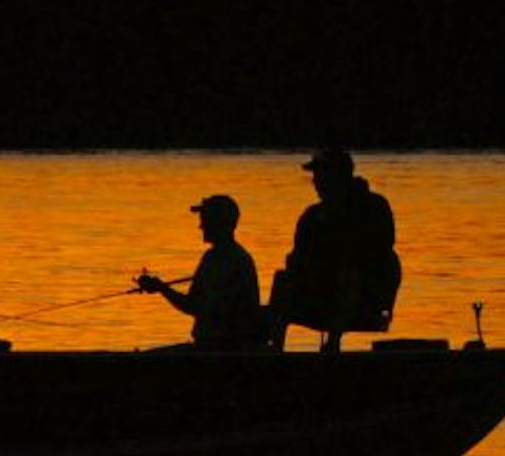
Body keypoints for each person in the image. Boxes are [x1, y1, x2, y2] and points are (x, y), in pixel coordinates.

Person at [265, 148, 399, 352]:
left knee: (347, 274)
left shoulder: (373, 207)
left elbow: (378, 252)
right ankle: (272, 349)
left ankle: (333, 344)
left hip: (365, 296)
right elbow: (297, 259)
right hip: (319, 290)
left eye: (322, 175)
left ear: (340, 176)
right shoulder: (312, 216)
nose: (316, 182)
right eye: (316, 176)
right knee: (283, 280)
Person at [136, 194, 262, 351]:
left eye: (205, 220)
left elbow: (195, 306)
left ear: (219, 223)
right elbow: (195, 304)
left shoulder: (228, 260)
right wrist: (162, 288)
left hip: (221, 350)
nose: (201, 226)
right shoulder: (218, 257)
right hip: (213, 347)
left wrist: (163, 289)